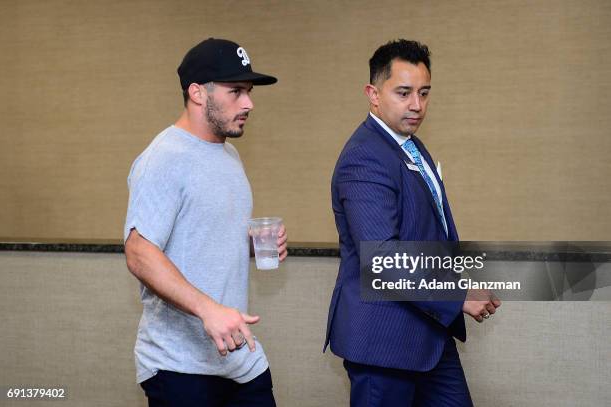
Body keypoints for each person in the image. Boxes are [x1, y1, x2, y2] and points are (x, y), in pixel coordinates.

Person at [324, 39, 501, 406]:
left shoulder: (410, 144)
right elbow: (381, 257)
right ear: (373, 94)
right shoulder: (365, 158)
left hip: (428, 332)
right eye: (403, 93)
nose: (417, 105)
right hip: (383, 343)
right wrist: (456, 297)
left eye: (424, 93)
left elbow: (423, 232)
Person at [124, 38, 287, 407]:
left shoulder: (229, 155)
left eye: (248, 91)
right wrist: (208, 309)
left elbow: (200, 238)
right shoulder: (164, 158)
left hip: (240, 361)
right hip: (180, 367)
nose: (249, 103)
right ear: (198, 93)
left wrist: (251, 244)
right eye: (236, 91)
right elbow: (139, 252)